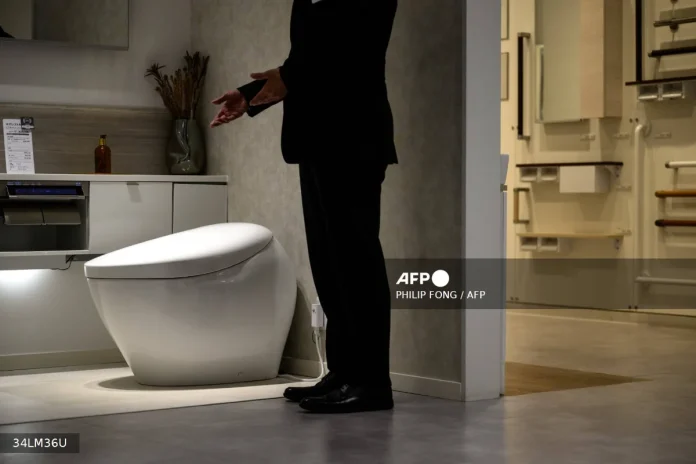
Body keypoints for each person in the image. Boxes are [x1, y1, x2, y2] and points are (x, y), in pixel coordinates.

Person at [210, 0, 398, 414]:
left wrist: (281, 80)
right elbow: (307, 59)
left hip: (354, 136)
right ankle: (345, 372)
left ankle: (371, 383)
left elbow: (353, 50)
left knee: (357, 262)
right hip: (316, 139)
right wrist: (251, 95)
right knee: (330, 264)